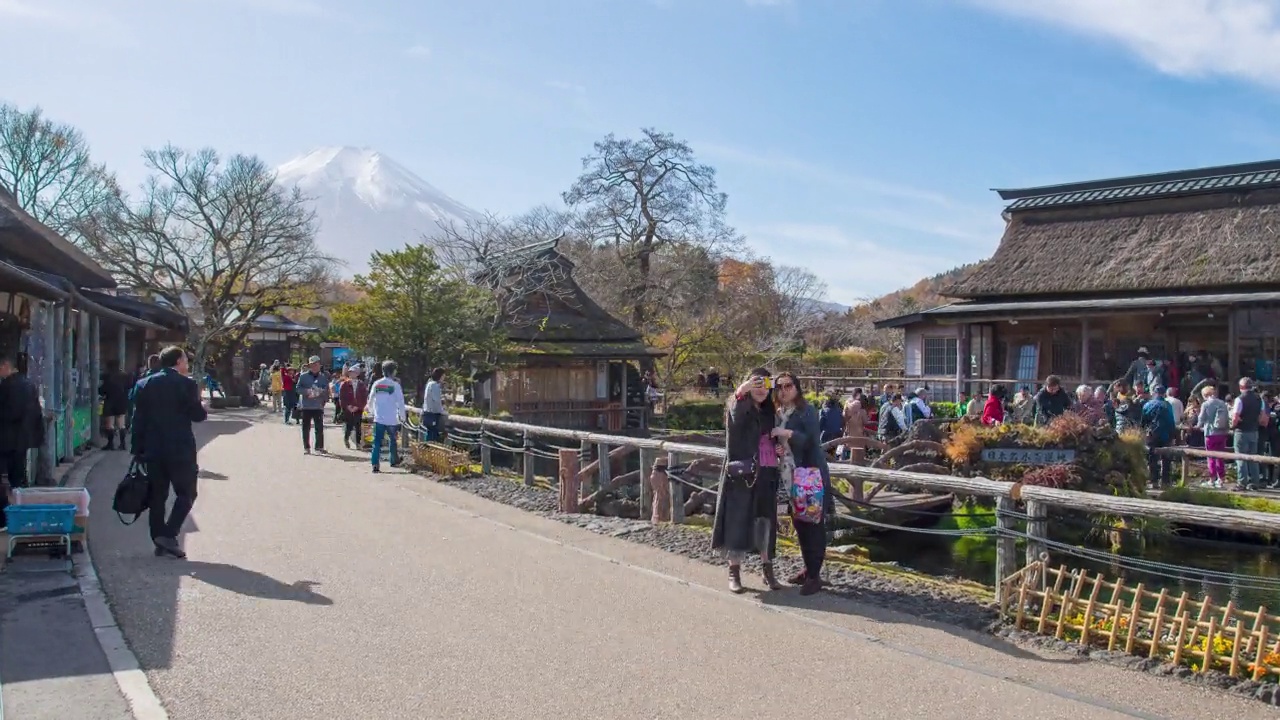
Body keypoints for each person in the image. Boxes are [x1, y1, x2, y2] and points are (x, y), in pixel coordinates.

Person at [130, 346, 208, 559]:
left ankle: (159, 538)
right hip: (180, 448)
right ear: (178, 362)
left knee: (157, 496)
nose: (187, 364)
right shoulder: (187, 384)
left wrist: (136, 449)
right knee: (187, 492)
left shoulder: (143, 384)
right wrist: (203, 407)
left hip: (152, 449)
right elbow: (198, 416)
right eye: (185, 360)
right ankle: (169, 533)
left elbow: (137, 420)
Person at [712, 369, 779, 594]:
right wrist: (741, 392)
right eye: (756, 384)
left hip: (768, 471)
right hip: (743, 474)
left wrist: (778, 445)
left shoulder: (770, 411)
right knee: (737, 522)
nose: (761, 390)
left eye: (765, 385)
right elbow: (736, 415)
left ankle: (767, 568)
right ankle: (734, 572)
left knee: (765, 521)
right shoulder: (740, 406)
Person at [772, 371, 832, 596]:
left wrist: (787, 433)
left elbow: (810, 441)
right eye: (780, 386)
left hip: (809, 476)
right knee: (800, 524)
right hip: (790, 475)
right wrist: (780, 447)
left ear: (797, 388)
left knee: (813, 525)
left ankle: (815, 576)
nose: (784, 390)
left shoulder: (807, 411)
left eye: (788, 386)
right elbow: (786, 446)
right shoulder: (780, 413)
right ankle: (809, 569)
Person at [0, 355, 42, 527]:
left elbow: (8, 413)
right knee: (18, 478)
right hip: (22, 439)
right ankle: (20, 513)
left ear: (5, 366)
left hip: (6, 439)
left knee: (6, 479)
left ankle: (7, 516)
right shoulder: (28, 384)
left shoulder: (7, 386)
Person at [369, 360, 405, 473]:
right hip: (391, 419)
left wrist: (372, 412)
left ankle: (375, 464)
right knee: (392, 441)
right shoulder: (395, 385)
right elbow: (400, 402)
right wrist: (402, 417)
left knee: (377, 442)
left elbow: (370, 399)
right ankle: (393, 460)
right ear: (393, 371)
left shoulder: (377, 384)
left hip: (379, 418)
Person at [1232, 377, 1266, 492]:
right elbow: (1262, 416)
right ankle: (1255, 482)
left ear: (1241, 387)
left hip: (1241, 431)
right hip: (1254, 431)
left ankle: (1242, 482)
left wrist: (1233, 425)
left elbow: (1235, 416)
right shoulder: (1259, 399)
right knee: (1253, 457)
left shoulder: (1239, 399)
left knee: (1240, 457)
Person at [1140, 385, 1176, 489]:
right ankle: (1165, 482)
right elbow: (1171, 421)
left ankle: (1153, 481)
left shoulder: (1147, 405)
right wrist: (1172, 435)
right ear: (1164, 393)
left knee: (1152, 458)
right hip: (1165, 434)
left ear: (1154, 393)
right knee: (1166, 458)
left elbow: (1143, 421)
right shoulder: (1167, 405)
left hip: (1152, 434)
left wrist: (1143, 431)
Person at [296, 356, 330, 455]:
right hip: (306, 406)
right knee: (306, 427)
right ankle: (306, 447)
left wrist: (322, 394)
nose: (315, 366)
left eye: (316, 364)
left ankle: (319, 446)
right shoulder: (303, 376)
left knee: (319, 427)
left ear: (319, 365)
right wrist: (307, 392)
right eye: (312, 365)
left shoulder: (323, 377)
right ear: (309, 366)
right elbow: (298, 389)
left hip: (318, 406)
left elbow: (326, 390)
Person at [99, 360, 132, 450]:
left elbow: (103, 389)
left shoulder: (107, 376)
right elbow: (129, 386)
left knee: (109, 424)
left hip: (110, 401)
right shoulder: (125, 375)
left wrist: (101, 392)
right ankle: (123, 443)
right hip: (122, 401)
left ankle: (110, 444)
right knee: (121, 423)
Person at [338, 366, 369, 450]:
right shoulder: (345, 384)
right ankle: (346, 438)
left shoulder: (361, 384)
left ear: (358, 374)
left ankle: (358, 443)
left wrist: (358, 406)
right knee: (349, 425)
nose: (352, 374)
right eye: (351, 372)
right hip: (348, 408)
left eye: (354, 372)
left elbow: (364, 397)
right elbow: (342, 397)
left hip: (358, 409)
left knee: (358, 426)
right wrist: (347, 406)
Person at [422, 367, 446, 442]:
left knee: (429, 433)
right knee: (433, 435)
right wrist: (442, 411)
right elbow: (437, 400)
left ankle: (426, 450)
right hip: (433, 413)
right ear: (440, 376)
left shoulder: (429, 383)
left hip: (427, 412)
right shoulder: (435, 385)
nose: (444, 378)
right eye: (443, 376)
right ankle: (428, 450)